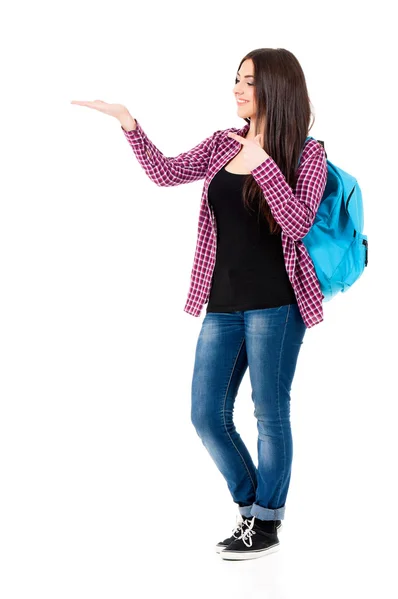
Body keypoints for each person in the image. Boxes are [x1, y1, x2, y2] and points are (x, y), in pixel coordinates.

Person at [71, 47, 328, 562]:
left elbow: (298, 225)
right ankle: (254, 507)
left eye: (248, 81)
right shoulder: (220, 143)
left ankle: (266, 525)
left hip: (277, 305)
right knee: (206, 414)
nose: (236, 88)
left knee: (269, 413)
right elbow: (166, 173)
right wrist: (129, 123)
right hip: (222, 303)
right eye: (236, 78)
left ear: (275, 88)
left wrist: (264, 167)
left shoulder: (308, 153)